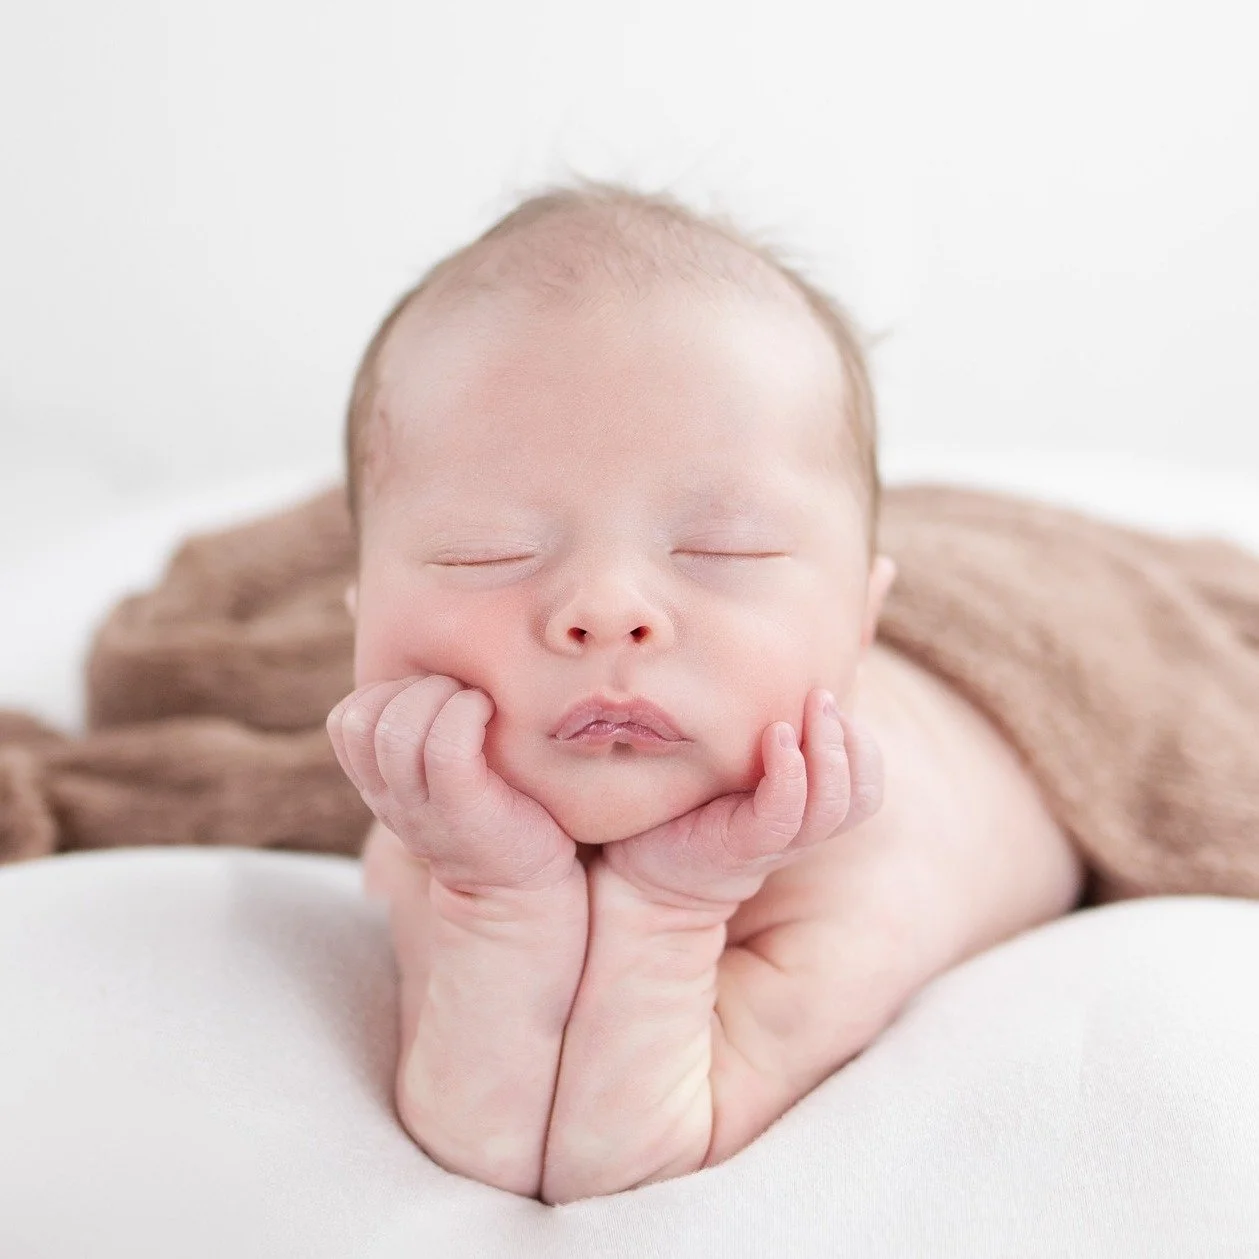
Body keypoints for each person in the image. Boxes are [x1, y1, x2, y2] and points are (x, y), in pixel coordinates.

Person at [325, 178, 1085, 1205]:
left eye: (724, 545)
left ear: (859, 621)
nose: (604, 609)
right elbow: (488, 1145)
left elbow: (620, 1158)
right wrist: (493, 894)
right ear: (360, 616)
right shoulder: (431, 828)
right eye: (482, 552)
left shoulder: (865, 865)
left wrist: (670, 907)